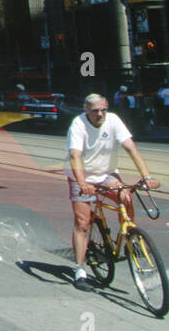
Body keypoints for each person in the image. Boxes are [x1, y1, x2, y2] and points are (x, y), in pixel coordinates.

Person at [65, 93, 159, 292]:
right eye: (95, 111)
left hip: (106, 173)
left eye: (103, 110)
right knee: (82, 223)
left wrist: (147, 176)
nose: (100, 114)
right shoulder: (78, 124)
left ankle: (129, 236)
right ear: (86, 111)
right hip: (81, 176)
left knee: (125, 196)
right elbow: (75, 156)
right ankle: (79, 270)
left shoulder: (114, 120)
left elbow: (131, 148)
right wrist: (82, 183)